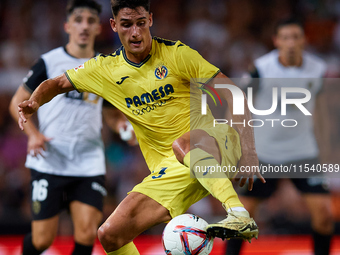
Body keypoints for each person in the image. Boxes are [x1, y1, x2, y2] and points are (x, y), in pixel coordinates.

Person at [16, 0, 266, 254]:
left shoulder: (177, 54)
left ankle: (239, 214)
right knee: (110, 235)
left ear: (150, 20)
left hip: (216, 142)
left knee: (182, 143)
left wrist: (248, 149)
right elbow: (57, 84)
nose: (135, 32)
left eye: (140, 23)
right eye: (126, 25)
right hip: (172, 170)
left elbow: (233, 92)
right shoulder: (104, 69)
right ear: (113, 25)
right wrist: (35, 101)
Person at [9, 1, 133, 254]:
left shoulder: (104, 66)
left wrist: (122, 126)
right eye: (78, 20)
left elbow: (110, 113)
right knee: (42, 239)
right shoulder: (48, 61)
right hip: (50, 159)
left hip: (88, 161)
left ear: (99, 28)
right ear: (68, 26)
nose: (84, 26)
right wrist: (33, 135)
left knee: (87, 233)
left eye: (90, 21)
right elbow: (15, 102)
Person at [226, 18, 334, 255]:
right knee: (241, 219)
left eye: (296, 37)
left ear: (304, 40)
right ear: (276, 41)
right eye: (285, 38)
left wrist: (325, 147)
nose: (291, 43)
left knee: (325, 216)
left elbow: (322, 111)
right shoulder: (262, 69)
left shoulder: (317, 70)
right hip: (264, 154)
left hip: (303, 153)